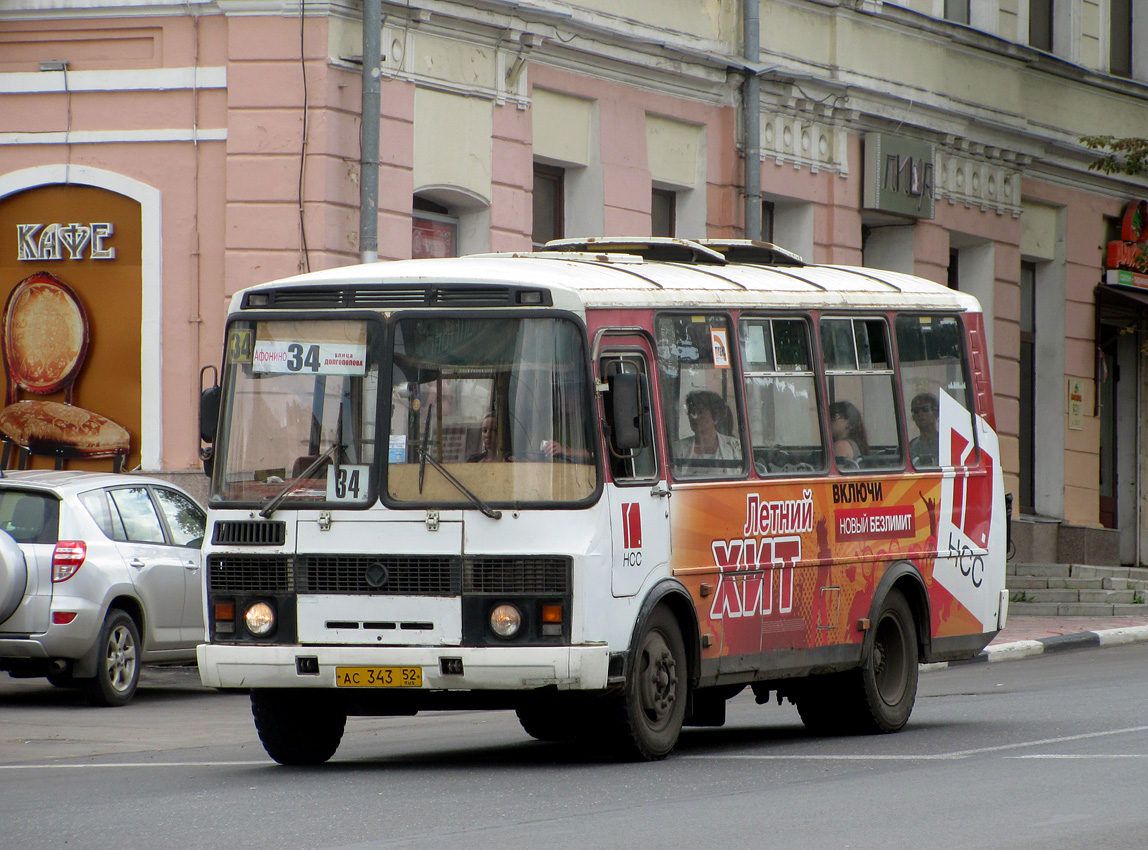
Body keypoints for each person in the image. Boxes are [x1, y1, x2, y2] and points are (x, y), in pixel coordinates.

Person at [673, 390, 740, 465]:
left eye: (700, 411)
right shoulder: (678, 449)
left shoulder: (735, 447)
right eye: (692, 412)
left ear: (716, 417)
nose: (694, 417)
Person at [908, 392, 939, 466]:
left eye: (925, 409)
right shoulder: (910, 446)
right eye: (916, 411)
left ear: (936, 413)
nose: (920, 414)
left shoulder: (945, 443)